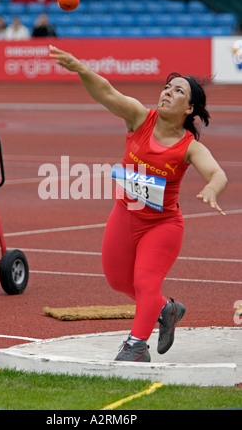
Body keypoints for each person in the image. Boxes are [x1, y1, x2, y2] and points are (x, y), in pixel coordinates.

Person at [48, 45, 228, 362]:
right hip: (125, 215)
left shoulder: (189, 147)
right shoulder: (139, 118)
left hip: (162, 225)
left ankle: (136, 346)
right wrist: (81, 69)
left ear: (190, 108)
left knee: (146, 282)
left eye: (178, 91)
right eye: (167, 87)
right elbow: (106, 93)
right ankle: (166, 309)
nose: (168, 92)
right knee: (118, 280)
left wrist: (212, 188)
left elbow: (217, 173)